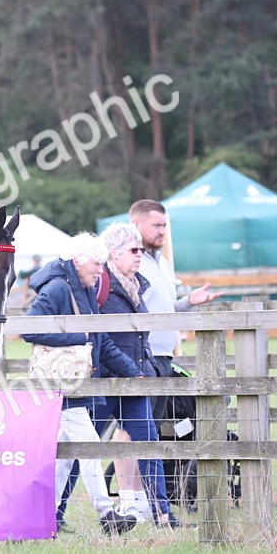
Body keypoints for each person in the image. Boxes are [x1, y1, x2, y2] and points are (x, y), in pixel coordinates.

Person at [22, 232, 145, 536]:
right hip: (60, 384)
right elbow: (29, 328)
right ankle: (106, 515)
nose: (100, 270)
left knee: (66, 457)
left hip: (74, 384)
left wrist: (131, 372)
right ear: (78, 261)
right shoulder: (57, 289)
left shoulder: (84, 290)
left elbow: (100, 341)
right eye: (97, 264)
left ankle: (44, 518)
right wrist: (78, 339)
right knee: (89, 448)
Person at [95, 222, 178, 528]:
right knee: (79, 447)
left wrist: (143, 369)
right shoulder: (100, 287)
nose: (139, 255)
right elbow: (102, 341)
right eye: (133, 250)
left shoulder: (136, 284)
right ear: (114, 254)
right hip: (105, 380)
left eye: (141, 250)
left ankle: (162, 513)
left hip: (134, 380)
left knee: (148, 443)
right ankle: (56, 513)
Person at [128, 200, 223, 379]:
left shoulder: (163, 263)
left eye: (164, 225)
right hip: (140, 358)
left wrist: (189, 301)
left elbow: (167, 310)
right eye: (156, 225)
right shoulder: (129, 263)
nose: (162, 231)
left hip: (164, 355)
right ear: (135, 224)